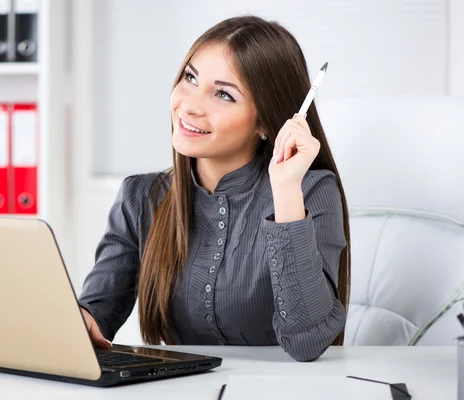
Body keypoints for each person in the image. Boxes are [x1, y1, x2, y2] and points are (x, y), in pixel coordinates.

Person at [77, 15, 351, 363]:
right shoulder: (141, 196)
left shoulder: (310, 191)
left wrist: (285, 191)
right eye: (190, 77)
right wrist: (79, 322)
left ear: (266, 121)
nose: (190, 105)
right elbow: (97, 311)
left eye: (223, 94)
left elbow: (306, 341)